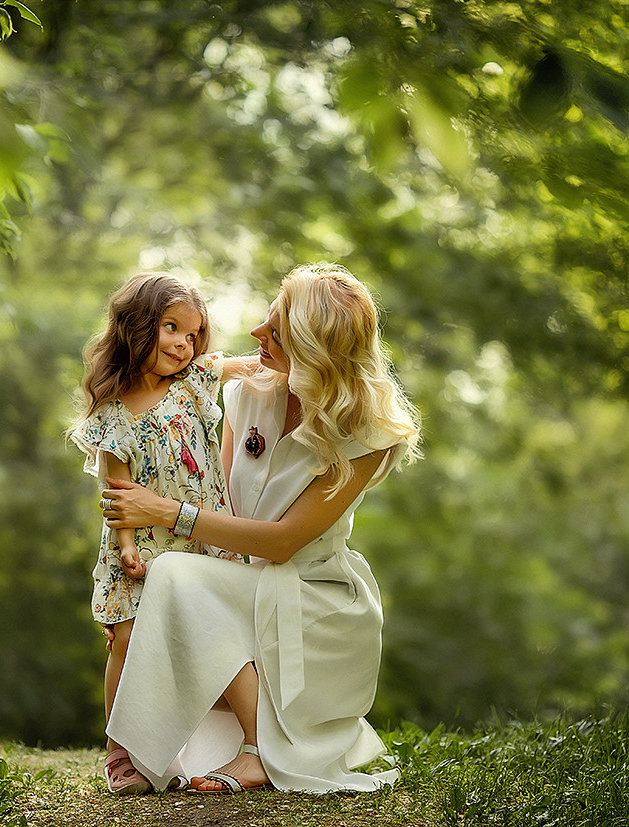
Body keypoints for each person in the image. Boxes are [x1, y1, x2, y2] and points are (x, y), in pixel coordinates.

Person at [100, 262, 421, 794]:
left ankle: (256, 752)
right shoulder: (249, 394)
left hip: (312, 598)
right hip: (239, 583)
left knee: (176, 577)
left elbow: (283, 543)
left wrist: (164, 513)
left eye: (274, 330)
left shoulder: (368, 434)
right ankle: (138, 753)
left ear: (312, 348)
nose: (256, 333)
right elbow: (218, 504)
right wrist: (139, 604)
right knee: (163, 583)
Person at [70, 272, 256, 795]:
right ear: (136, 327)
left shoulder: (194, 383)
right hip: (142, 544)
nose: (183, 344)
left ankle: (254, 744)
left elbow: (248, 364)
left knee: (216, 639)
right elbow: (117, 490)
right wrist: (127, 548)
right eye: (171, 328)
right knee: (128, 642)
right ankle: (120, 753)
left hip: (201, 539)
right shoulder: (113, 411)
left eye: (193, 334)